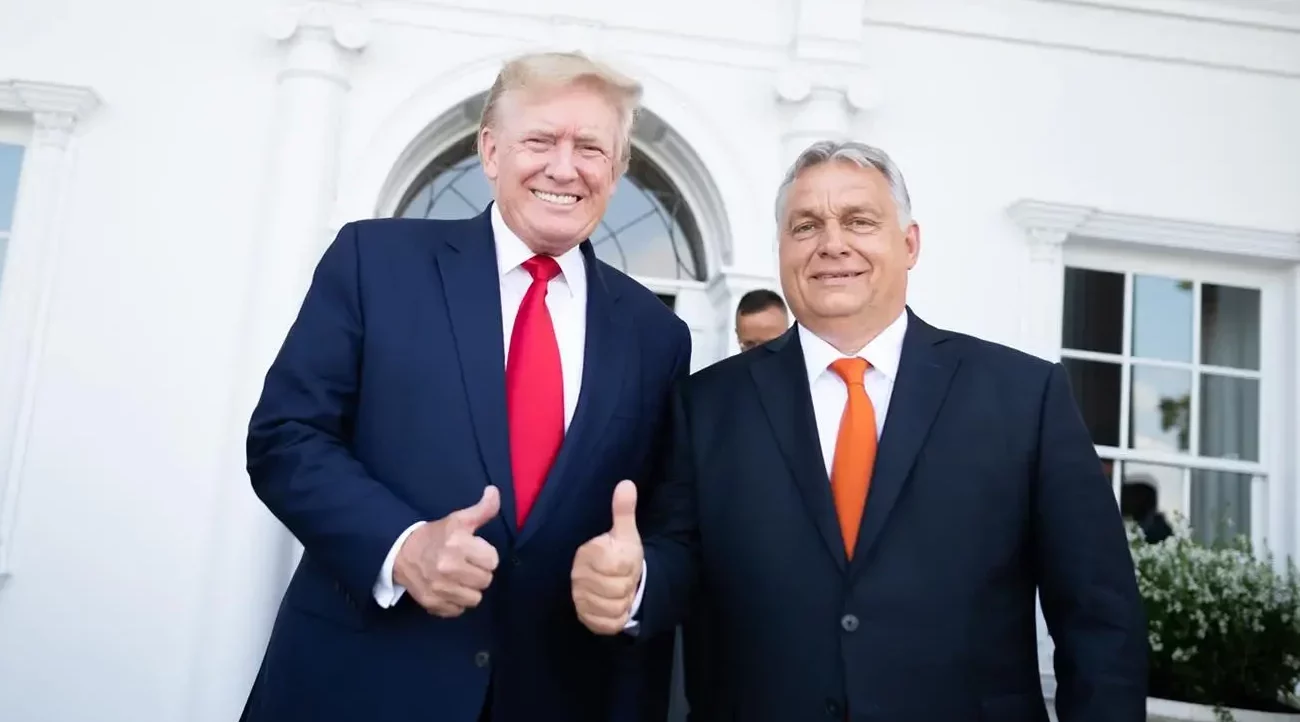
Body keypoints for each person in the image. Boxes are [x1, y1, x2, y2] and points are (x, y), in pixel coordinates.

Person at [570, 140, 1148, 721]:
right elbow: (677, 558)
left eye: (859, 221)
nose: (832, 243)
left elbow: (1099, 618)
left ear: (910, 243)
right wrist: (632, 584)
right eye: (806, 226)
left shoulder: (1025, 397)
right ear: (781, 250)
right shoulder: (706, 405)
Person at [240, 51, 691, 722]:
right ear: (490, 150)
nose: (564, 167)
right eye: (540, 140)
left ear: (618, 167)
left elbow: (668, 520)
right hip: (357, 686)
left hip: (553, 697)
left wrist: (636, 580)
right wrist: (402, 546)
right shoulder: (375, 262)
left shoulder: (658, 335)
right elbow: (286, 437)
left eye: (591, 148)